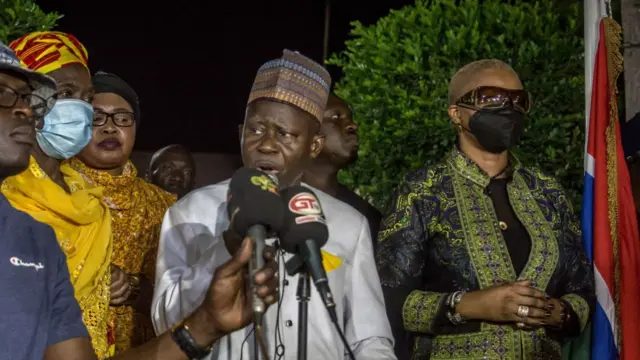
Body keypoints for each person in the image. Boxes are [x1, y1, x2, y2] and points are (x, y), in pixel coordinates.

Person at [0, 38, 279, 360]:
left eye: (27, 97)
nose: (25, 109)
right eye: (5, 95)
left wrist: (204, 324)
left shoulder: (33, 238)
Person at [153, 50, 396, 359]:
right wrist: (222, 250)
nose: (267, 144)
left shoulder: (349, 223)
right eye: (255, 130)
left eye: (285, 134)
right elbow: (163, 323)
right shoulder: (189, 213)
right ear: (240, 135)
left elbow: (370, 339)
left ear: (313, 146)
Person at [376, 59, 595, 360]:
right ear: (456, 114)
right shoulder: (422, 191)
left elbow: (582, 289)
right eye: (491, 98)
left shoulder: (548, 192)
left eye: (518, 101)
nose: (508, 109)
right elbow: (387, 298)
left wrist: (556, 313)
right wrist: (469, 305)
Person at [4, 31, 114, 358]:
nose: (81, 107)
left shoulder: (90, 199)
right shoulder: (9, 193)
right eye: (66, 93)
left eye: (87, 97)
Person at [69, 71, 177, 352]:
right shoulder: (53, 191)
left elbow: (185, 299)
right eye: (96, 118)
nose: (109, 128)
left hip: (143, 349)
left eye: (122, 118)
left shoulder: (164, 207)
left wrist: (132, 289)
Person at [304, 93, 382, 246]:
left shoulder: (367, 217)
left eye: (350, 118)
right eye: (336, 117)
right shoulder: (270, 205)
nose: (353, 125)